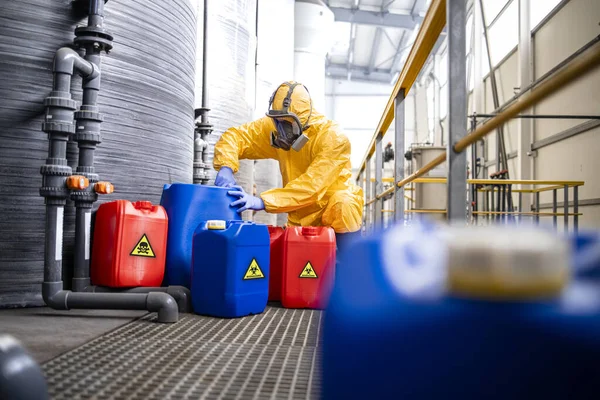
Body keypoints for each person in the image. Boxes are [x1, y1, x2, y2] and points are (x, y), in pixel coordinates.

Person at [212, 81, 364, 251]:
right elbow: (236, 137)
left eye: (285, 124)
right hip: (299, 221)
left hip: (335, 221)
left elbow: (312, 187)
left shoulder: (333, 138)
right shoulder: (276, 126)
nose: (280, 131)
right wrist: (226, 166)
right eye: (277, 122)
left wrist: (261, 201)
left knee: (343, 203)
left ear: (302, 119)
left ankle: (348, 261)